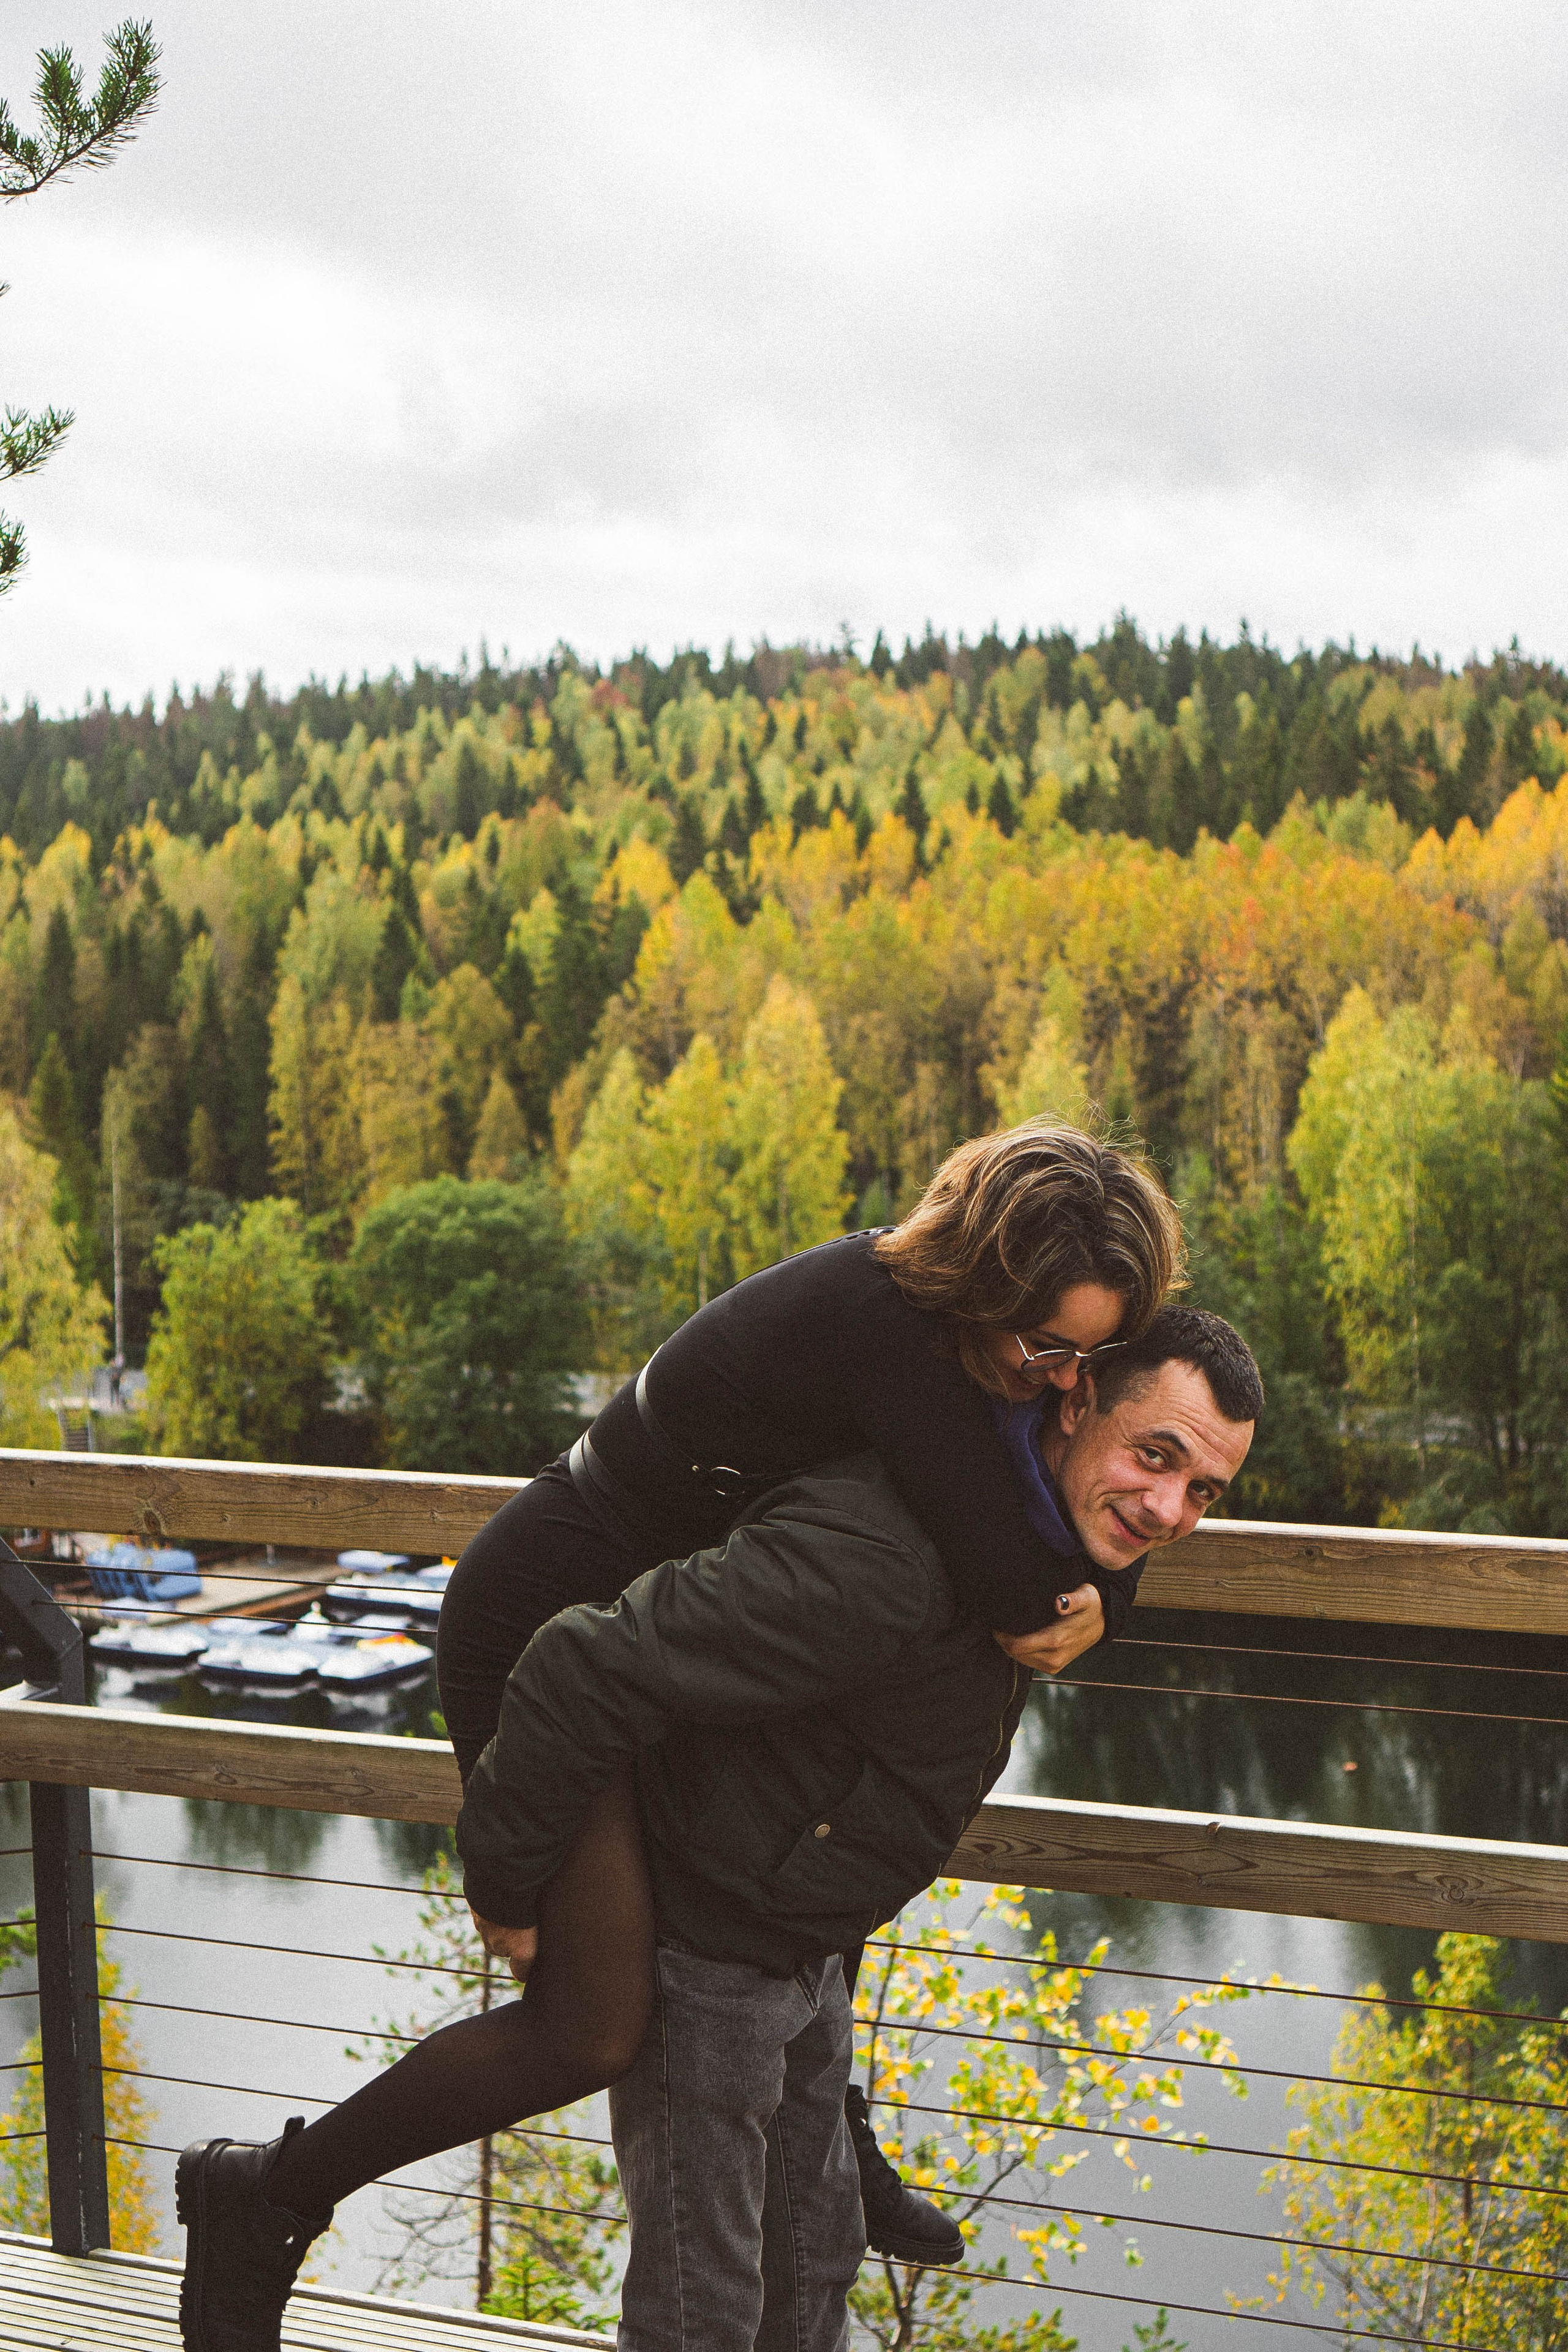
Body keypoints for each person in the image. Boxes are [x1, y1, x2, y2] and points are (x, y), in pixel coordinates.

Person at [173, 1120, 1185, 2346]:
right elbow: (1009, 1574)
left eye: (1095, 1354)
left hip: (661, 1639)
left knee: (810, 1790)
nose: (1064, 1379)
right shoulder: (885, 1330)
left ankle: (830, 2124)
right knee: (591, 2023)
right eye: (1047, 1345)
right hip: (551, 1628)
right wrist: (502, 1868)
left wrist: (1116, 1578)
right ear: (977, 1280)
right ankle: (268, 2193)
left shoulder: (975, 1353)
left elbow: (1043, 1519)